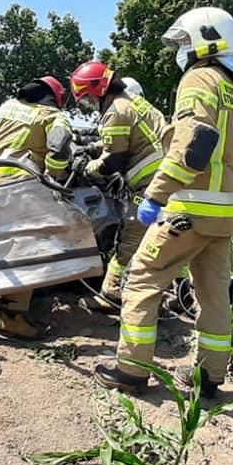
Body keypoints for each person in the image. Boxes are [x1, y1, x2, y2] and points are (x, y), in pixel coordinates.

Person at [94, 7, 233, 398]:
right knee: (214, 294)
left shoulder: (198, 78)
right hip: (225, 210)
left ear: (205, 38)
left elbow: (192, 145)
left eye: (184, 42)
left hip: (191, 204)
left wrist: (155, 195)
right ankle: (209, 377)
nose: (181, 51)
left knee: (143, 279)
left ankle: (130, 370)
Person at [68, 62, 167, 313]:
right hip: (169, 179)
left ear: (98, 89)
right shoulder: (131, 102)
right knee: (171, 238)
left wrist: (84, 168)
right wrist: (92, 147)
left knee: (130, 237)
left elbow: (115, 160)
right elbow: (126, 138)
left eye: (88, 99)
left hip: (151, 185)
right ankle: (181, 291)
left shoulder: (115, 111)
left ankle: (111, 294)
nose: (90, 104)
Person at [0, 76, 74, 339]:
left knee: (1, 245)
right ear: (55, 98)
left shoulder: (7, 107)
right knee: (27, 249)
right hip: (19, 185)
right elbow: (58, 148)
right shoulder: (53, 116)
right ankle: (13, 319)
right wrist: (55, 177)